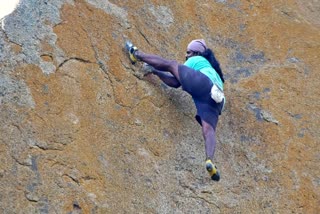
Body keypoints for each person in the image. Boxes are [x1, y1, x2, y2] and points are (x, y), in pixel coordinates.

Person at [125, 39, 225, 181]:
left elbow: (174, 76)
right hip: (218, 99)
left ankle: (136, 53)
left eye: (188, 52)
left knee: (172, 64)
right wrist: (155, 72)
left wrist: (156, 68)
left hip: (205, 85)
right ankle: (210, 160)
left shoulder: (197, 59)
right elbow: (176, 82)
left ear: (197, 53)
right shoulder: (214, 72)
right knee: (209, 130)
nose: (186, 56)